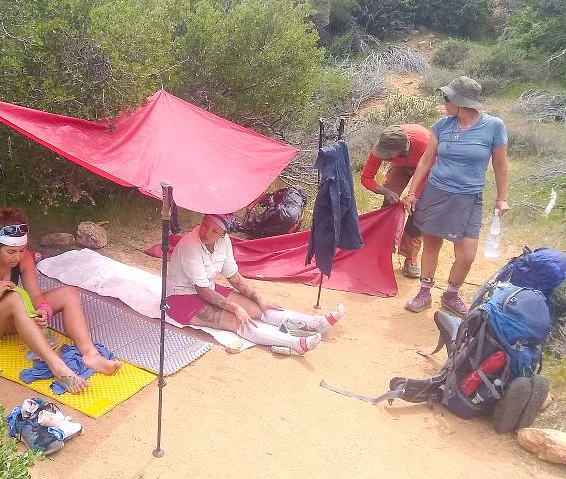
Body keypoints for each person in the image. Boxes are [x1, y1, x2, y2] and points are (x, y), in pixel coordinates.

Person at [0, 207, 121, 393]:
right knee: (15, 297)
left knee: (69, 293)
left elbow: (35, 296)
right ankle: (59, 368)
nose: (17, 257)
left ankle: (90, 354)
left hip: (6, 318)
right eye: (11, 252)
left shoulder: (22, 257)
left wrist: (43, 310)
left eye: (21, 250)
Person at [402, 76, 509, 316]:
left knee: (467, 254)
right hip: (436, 193)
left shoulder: (493, 127)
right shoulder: (442, 125)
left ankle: (451, 294)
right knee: (432, 246)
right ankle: (424, 292)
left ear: (462, 102)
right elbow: (426, 161)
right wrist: (411, 192)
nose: (444, 103)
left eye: (447, 98)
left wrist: (501, 197)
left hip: (469, 198)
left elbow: (501, 166)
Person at [166, 213, 345, 355]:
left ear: (223, 235)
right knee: (237, 320)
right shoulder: (190, 245)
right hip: (181, 298)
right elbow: (203, 291)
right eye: (204, 225)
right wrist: (235, 308)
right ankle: (295, 343)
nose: (205, 232)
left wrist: (259, 298)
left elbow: (233, 276)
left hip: (207, 287)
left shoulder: (224, 242)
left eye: (214, 231)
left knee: (259, 308)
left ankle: (317, 323)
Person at [360, 124, 431, 278]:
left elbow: (430, 174)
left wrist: (413, 195)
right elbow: (366, 178)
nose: (382, 156)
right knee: (389, 204)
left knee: (418, 209)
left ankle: (410, 258)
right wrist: (385, 191)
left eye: (387, 155)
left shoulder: (425, 144)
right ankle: (382, 248)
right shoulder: (383, 144)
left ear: (401, 150)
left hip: (426, 165)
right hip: (401, 165)